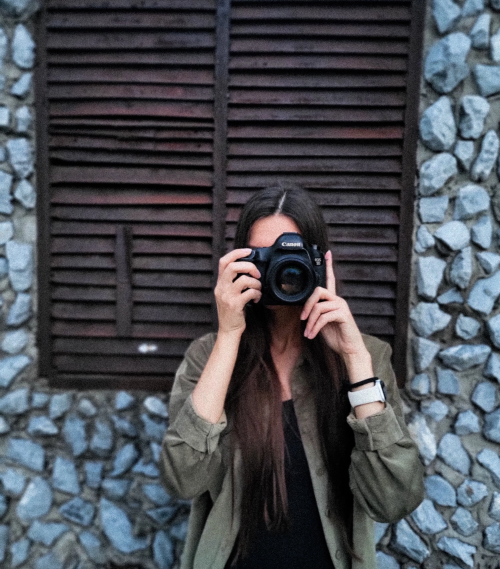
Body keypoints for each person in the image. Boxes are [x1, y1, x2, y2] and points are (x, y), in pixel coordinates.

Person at [160, 185, 424, 569]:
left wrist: (355, 360)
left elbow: (393, 501)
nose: (281, 270)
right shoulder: (209, 357)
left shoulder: (365, 358)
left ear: (320, 261)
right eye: (265, 257)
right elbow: (183, 480)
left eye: (293, 256)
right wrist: (229, 334)